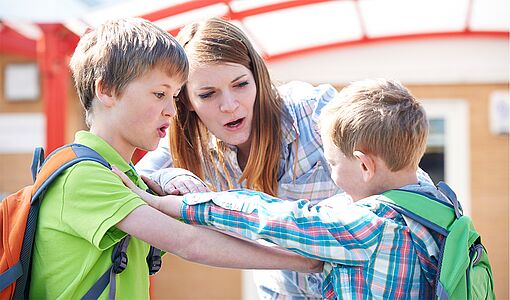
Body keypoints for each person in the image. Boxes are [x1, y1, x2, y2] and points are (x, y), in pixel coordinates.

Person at [28, 18, 322, 299]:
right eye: (159, 94)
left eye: (174, 96)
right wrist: (310, 260)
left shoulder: (126, 177)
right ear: (105, 90)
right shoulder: (86, 176)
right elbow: (189, 242)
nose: (171, 110)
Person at [119, 79, 445, 299]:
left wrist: (172, 205)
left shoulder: (367, 228)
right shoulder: (437, 209)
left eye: (333, 164)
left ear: (364, 165)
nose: (331, 174)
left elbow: (269, 216)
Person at [136, 17, 343, 299]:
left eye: (241, 84)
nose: (229, 105)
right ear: (186, 101)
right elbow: (132, 182)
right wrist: (168, 176)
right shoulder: (189, 145)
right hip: (282, 292)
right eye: (208, 94)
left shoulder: (314, 112)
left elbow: (399, 177)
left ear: (257, 77)